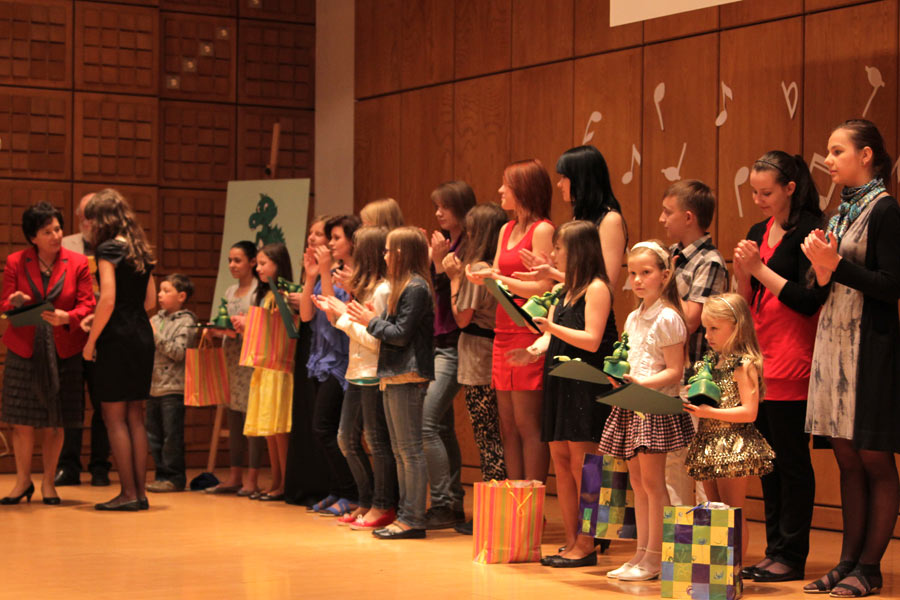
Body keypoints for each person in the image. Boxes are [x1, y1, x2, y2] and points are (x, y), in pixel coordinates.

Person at [801, 119, 900, 597]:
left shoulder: (886, 210)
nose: (829, 159)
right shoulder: (837, 212)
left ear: (866, 156)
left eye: (838, 150)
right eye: (828, 150)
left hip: (871, 349)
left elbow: (892, 285)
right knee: (847, 459)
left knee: (874, 458)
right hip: (833, 345)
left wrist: (837, 265)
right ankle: (847, 562)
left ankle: (871, 567)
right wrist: (822, 272)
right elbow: (818, 287)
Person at [732, 151, 826, 583]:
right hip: (760, 359)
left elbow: (808, 301)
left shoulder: (810, 231)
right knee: (767, 463)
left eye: (766, 192)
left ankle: (791, 553)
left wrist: (758, 267)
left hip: (793, 358)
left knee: (792, 462)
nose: (758, 200)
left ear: (790, 188)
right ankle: (774, 550)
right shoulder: (758, 231)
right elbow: (748, 299)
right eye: (753, 192)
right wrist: (743, 272)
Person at [520, 221, 617, 568]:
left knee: (584, 465)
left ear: (577, 250)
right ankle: (572, 540)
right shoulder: (564, 289)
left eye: (559, 247)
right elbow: (549, 336)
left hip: (585, 382)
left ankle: (587, 543)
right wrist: (533, 347)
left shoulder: (597, 288)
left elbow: (592, 339)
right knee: (561, 462)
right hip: (560, 380)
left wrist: (552, 327)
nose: (554, 253)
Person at [596, 240, 694, 581]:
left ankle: (656, 556)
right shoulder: (634, 316)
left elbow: (675, 371)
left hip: (654, 407)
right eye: (633, 273)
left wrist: (642, 382)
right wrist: (619, 377)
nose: (637, 280)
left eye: (646, 272)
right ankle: (641, 552)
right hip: (633, 404)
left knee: (654, 483)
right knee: (637, 482)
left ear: (665, 275)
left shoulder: (668, 317)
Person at [0, 202, 95, 505]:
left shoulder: (78, 262)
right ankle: (22, 481)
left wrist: (69, 317)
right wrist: (15, 301)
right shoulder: (16, 261)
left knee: (56, 419)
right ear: (33, 237)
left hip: (63, 348)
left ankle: (49, 483)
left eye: (58, 229)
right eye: (47, 231)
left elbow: (88, 304)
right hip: (24, 347)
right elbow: (4, 304)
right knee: (21, 420)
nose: (56, 236)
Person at [467, 159, 555, 483]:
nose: (501, 190)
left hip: (528, 330)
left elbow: (545, 288)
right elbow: (498, 274)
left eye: (507, 184)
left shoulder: (542, 230)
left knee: (527, 422)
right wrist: (482, 275)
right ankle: (513, 493)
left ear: (523, 189)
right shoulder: (506, 229)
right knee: (507, 424)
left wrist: (498, 280)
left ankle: (532, 498)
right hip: (502, 330)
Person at [347, 226, 435, 540]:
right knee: (400, 450)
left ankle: (413, 518)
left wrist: (370, 321)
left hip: (408, 374)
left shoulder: (416, 287)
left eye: (388, 250)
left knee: (409, 450)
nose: (384, 256)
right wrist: (376, 318)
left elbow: (400, 335)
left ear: (401, 253)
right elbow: (394, 329)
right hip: (394, 372)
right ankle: (406, 515)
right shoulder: (405, 286)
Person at [316, 226, 398, 530]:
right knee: (346, 439)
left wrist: (344, 317)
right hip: (356, 373)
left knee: (377, 442)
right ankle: (366, 500)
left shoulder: (383, 290)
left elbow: (377, 341)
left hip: (374, 374)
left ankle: (382, 505)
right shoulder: (364, 290)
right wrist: (338, 312)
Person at [683, 293, 775, 561]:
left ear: (736, 327)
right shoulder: (710, 362)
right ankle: (716, 569)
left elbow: (749, 412)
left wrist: (710, 412)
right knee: (714, 511)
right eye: (705, 328)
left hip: (733, 444)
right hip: (708, 441)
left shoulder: (743, 364)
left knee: (732, 511)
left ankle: (733, 572)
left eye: (715, 328)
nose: (707, 335)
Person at [81, 189, 157, 511]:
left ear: (102, 219)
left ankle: (127, 493)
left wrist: (90, 341)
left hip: (117, 338)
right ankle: (140, 493)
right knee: (135, 416)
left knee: (113, 418)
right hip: (141, 334)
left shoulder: (108, 248)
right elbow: (150, 301)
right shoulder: (140, 249)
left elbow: (108, 298)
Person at [658, 179, 728, 506]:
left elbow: (690, 320)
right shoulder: (670, 256)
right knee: (673, 464)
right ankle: (677, 532)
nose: (662, 219)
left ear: (688, 217)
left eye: (667, 212)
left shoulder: (709, 261)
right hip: (668, 373)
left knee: (699, 464)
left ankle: (703, 532)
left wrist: (662, 295)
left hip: (697, 377)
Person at [443, 202, 509, 534]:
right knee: (500, 435)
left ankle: (495, 514)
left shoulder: (475, 269)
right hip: (493, 351)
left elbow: (461, 317)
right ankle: (511, 507)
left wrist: (454, 279)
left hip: (479, 355)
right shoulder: (498, 266)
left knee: (487, 436)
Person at [422, 181, 475, 529]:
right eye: (436, 207)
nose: (439, 213)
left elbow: (457, 292)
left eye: (445, 206)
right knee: (440, 425)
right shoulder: (446, 244)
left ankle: (443, 501)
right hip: (438, 339)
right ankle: (451, 502)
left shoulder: (468, 245)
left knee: (425, 421)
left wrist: (439, 263)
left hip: (457, 342)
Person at [299, 215, 359, 515]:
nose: (316, 240)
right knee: (326, 430)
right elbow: (306, 316)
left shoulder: (348, 275)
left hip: (341, 360)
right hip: (320, 358)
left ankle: (352, 492)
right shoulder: (327, 271)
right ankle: (338, 490)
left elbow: (334, 317)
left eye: (326, 236)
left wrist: (323, 271)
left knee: (325, 428)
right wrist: (311, 276)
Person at [57, 191, 111, 487]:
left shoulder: (115, 247)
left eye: (93, 216)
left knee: (104, 405)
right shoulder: (65, 245)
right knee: (71, 404)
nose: (87, 221)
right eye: (83, 215)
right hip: (72, 334)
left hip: (105, 336)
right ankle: (68, 466)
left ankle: (100, 466)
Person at [520, 146, 628, 287]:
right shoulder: (579, 217)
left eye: (564, 177)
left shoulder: (610, 220)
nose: (559, 184)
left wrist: (552, 273)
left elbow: (606, 282)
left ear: (581, 178)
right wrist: (552, 267)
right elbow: (576, 273)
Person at [205, 241, 264, 496]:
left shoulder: (258, 292)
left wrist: (243, 326)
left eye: (237, 260)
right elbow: (224, 322)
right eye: (230, 260)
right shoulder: (230, 291)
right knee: (234, 417)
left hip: (252, 360)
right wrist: (215, 330)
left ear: (252, 262)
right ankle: (235, 475)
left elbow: (265, 327)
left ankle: (253, 478)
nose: (232, 265)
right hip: (231, 358)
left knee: (252, 420)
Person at [243, 243, 295, 501]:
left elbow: (290, 329)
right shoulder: (266, 296)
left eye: (264, 264)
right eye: (259, 264)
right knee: (270, 431)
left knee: (280, 430)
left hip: (279, 366)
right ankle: (276, 479)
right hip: (265, 366)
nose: (259, 268)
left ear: (278, 264)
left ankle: (285, 482)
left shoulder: (284, 296)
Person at [145, 274, 197, 493]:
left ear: (181, 296)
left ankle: (174, 478)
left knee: (171, 437)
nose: (160, 295)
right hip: (152, 387)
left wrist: (155, 336)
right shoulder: (155, 319)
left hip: (174, 389)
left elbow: (178, 352)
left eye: (166, 291)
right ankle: (161, 475)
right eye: (160, 290)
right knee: (154, 436)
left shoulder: (187, 321)